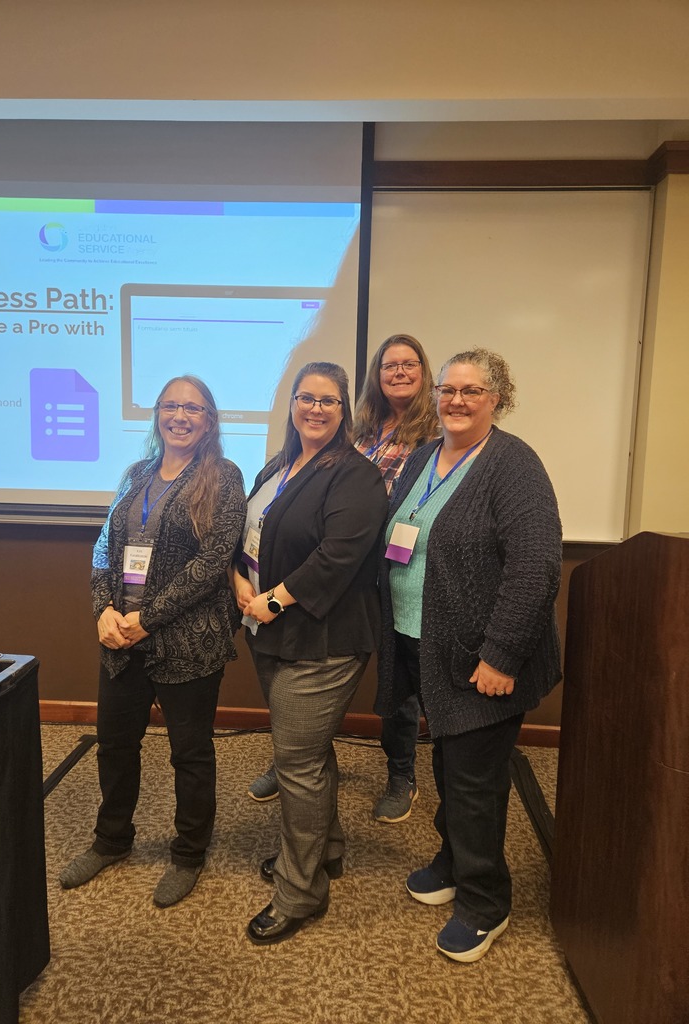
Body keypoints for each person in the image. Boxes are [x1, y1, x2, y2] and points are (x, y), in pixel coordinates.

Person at [376, 348, 562, 963]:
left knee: (476, 780)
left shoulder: (514, 465)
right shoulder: (427, 455)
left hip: (483, 659)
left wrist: (503, 656)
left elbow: (535, 567)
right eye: (448, 389)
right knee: (450, 764)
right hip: (425, 647)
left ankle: (486, 902)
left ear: (497, 399)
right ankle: (453, 860)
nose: (456, 401)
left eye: (472, 391)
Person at [59, 375, 246, 908]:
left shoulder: (224, 477)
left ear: (209, 420)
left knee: (189, 752)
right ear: (157, 414)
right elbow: (103, 548)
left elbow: (213, 564)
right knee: (116, 744)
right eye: (170, 406)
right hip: (120, 638)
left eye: (192, 408)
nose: (179, 416)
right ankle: (112, 839)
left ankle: (189, 852)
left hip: (189, 640)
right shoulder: (135, 473)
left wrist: (147, 618)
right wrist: (104, 612)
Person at [247, 334, 439, 824]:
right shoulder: (362, 432)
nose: (398, 372)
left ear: (424, 372)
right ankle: (296, 756)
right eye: (388, 365)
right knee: (303, 728)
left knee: (400, 684)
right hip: (340, 569)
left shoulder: (437, 432)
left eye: (408, 364)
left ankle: (401, 774)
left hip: (399, 568)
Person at [234, 361, 387, 944]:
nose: (315, 409)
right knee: (310, 754)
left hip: (324, 641)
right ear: (293, 405)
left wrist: (274, 596)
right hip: (269, 629)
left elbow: (338, 556)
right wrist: (239, 585)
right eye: (306, 398)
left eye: (328, 400)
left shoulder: (356, 476)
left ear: (344, 409)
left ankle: (300, 893)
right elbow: (249, 535)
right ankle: (328, 850)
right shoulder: (277, 465)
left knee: (296, 765)